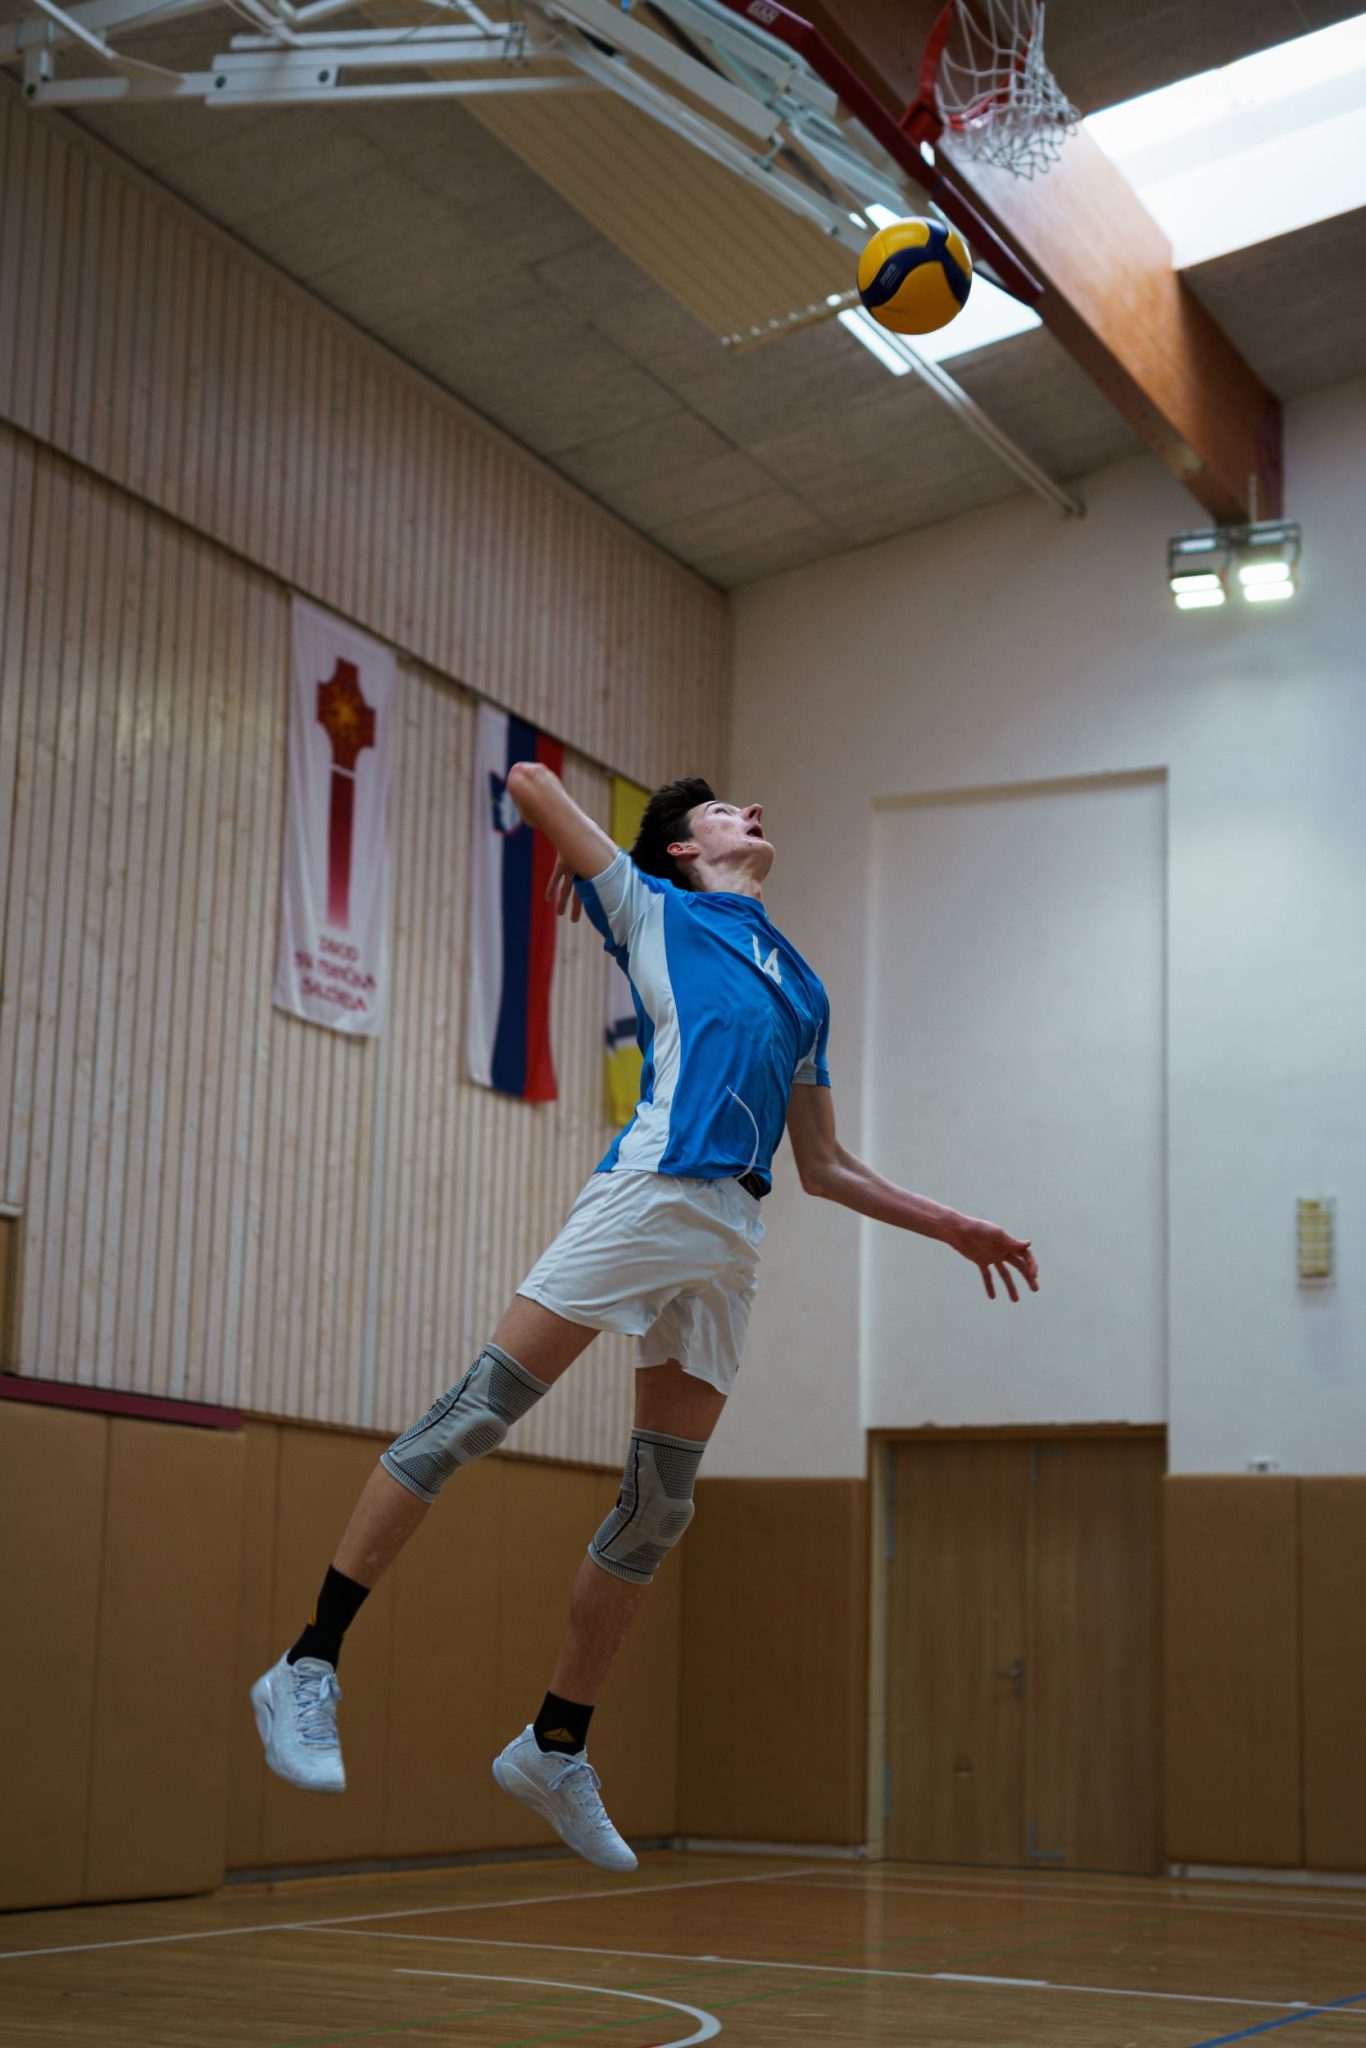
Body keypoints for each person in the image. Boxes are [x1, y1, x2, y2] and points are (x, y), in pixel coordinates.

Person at [250, 769, 1039, 1872]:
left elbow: (822, 1163)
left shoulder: (804, 984)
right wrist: (596, 866)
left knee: (660, 1505)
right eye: (724, 811)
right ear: (678, 848)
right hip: (650, 1195)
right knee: (476, 1413)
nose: (751, 813)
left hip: (731, 1236)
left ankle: (553, 1744)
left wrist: (951, 1224)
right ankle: (307, 1661)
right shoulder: (653, 908)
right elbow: (528, 780)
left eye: (749, 806)